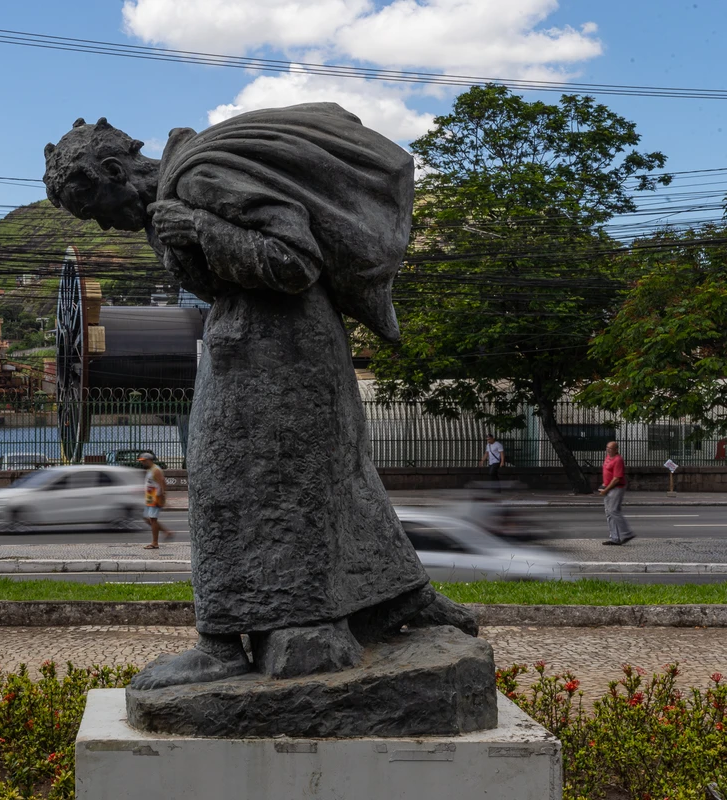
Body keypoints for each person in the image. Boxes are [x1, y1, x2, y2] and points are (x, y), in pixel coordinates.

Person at [43, 107, 475, 690]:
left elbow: (295, 261)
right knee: (327, 477)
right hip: (263, 346)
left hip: (280, 350)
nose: (100, 227)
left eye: (93, 211)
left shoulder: (197, 182)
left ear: (116, 172)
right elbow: (220, 280)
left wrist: (200, 231)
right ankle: (398, 599)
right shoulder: (166, 202)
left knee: (225, 482)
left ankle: (220, 645)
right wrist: (194, 242)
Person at [599, 441, 635, 545]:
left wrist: (606, 489)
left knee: (613, 511)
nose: (608, 449)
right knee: (609, 513)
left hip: (616, 488)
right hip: (608, 487)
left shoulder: (618, 460)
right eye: (607, 447)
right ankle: (615, 538)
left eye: (611, 448)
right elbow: (608, 473)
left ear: (616, 449)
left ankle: (627, 533)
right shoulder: (608, 457)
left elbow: (616, 479)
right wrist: (604, 484)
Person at [139, 452, 172, 549]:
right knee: (147, 518)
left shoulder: (156, 470)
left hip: (155, 497)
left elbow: (162, 482)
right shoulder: (150, 470)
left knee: (153, 519)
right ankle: (166, 532)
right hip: (150, 497)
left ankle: (155, 543)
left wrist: (162, 497)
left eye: (144, 461)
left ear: (149, 460)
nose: (142, 463)